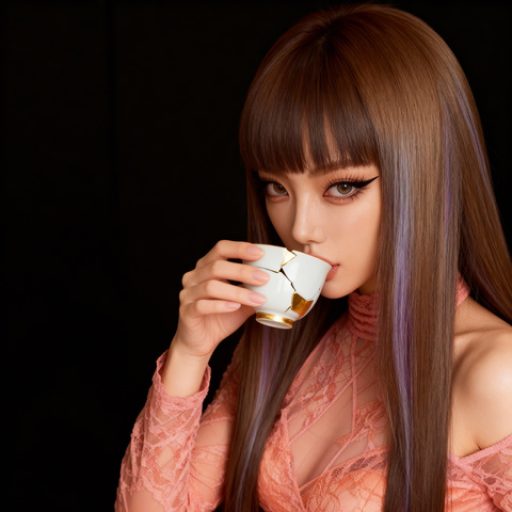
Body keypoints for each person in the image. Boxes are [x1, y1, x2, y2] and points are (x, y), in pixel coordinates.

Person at [115, 4, 512, 511]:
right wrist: (190, 351)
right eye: (277, 187)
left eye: (343, 186)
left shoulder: (496, 374)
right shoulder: (285, 343)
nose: (301, 228)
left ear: (426, 174)